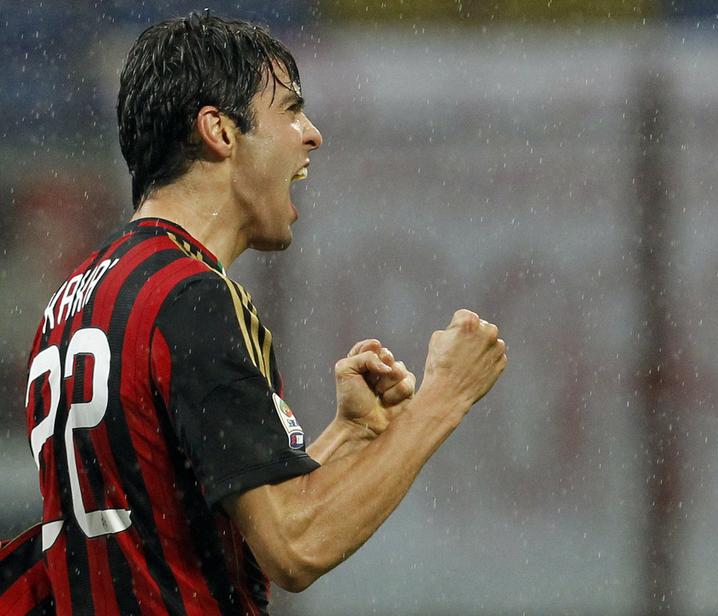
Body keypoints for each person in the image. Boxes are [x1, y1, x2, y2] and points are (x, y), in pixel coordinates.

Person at [2, 11, 506, 615]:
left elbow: (177, 519)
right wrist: (445, 397)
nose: (311, 134)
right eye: (290, 110)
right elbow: (294, 548)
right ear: (219, 130)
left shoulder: (72, 301)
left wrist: (347, 439)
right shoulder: (190, 297)